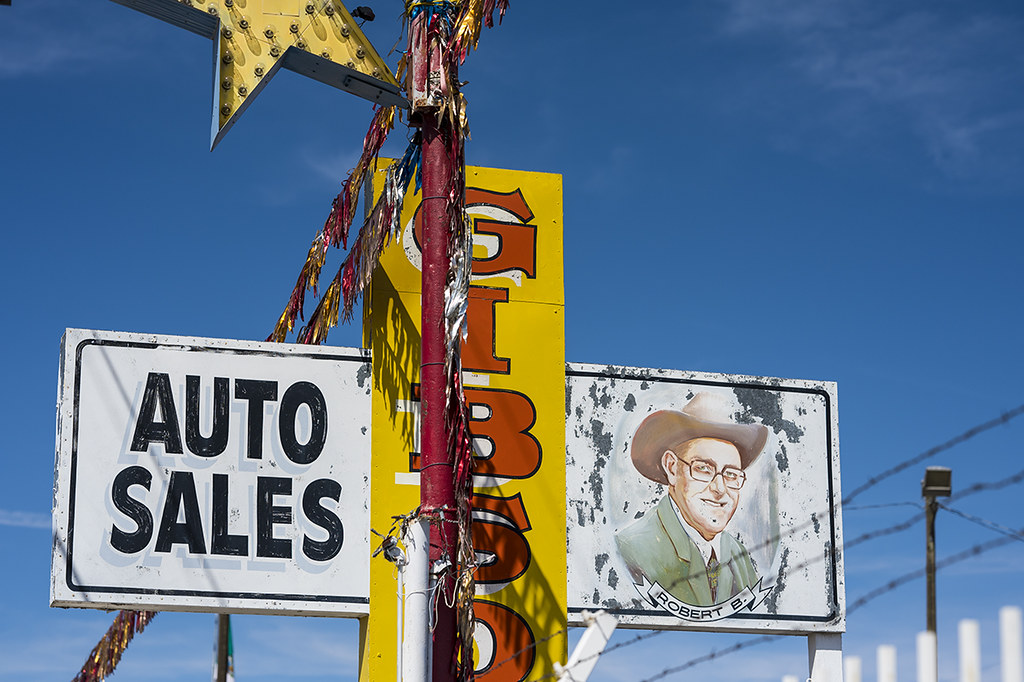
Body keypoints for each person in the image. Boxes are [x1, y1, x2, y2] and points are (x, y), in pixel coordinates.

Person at [615, 392, 769, 607]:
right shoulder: (632, 549)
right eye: (704, 469)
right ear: (671, 468)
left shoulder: (738, 556)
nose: (719, 488)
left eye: (731, 474)